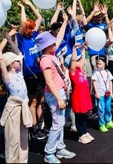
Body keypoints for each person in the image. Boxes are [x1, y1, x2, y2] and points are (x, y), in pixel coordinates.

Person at [36, 31, 76, 163]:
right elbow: (48, 81)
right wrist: (59, 98)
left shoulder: (51, 55)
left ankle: (59, 148)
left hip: (59, 91)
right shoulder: (46, 59)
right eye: (52, 43)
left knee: (60, 122)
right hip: (55, 94)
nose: (55, 44)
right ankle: (49, 152)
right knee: (57, 123)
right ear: (47, 46)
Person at [0, 31, 33, 163]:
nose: (19, 62)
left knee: (23, 137)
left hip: (23, 107)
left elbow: (20, 53)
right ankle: (12, 160)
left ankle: (22, 160)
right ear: (11, 65)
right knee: (12, 138)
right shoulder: (8, 77)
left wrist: (9, 39)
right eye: (16, 61)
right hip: (14, 109)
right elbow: (1, 59)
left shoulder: (19, 74)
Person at [16, 0, 47, 140]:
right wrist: (22, 8)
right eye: (31, 27)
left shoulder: (34, 35)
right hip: (29, 75)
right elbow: (22, 23)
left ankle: (41, 125)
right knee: (33, 102)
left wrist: (29, 4)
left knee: (41, 100)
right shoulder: (21, 38)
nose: (34, 28)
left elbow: (39, 17)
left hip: (39, 72)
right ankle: (33, 127)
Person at [69, 43, 94, 144]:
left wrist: (83, 48)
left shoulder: (81, 71)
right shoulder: (73, 72)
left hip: (84, 96)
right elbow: (74, 60)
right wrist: (74, 49)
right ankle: (81, 135)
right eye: (77, 61)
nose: (79, 61)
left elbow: (83, 59)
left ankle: (85, 132)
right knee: (79, 116)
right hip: (78, 97)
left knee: (84, 115)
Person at [92, 56, 113, 132]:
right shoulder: (95, 73)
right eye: (96, 63)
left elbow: (110, 82)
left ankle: (108, 121)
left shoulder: (107, 72)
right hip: (101, 95)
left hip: (108, 94)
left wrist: (112, 93)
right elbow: (94, 83)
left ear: (104, 64)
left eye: (100, 64)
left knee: (108, 108)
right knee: (101, 109)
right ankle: (101, 124)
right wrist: (97, 93)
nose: (98, 65)